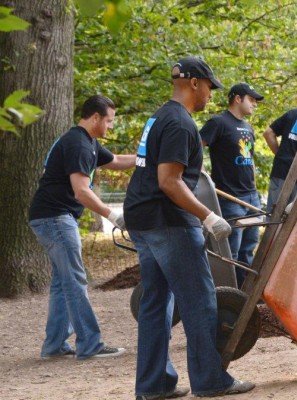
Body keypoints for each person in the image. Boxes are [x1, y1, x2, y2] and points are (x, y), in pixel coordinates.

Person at [124, 57, 254, 399]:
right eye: (210, 87)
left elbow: (148, 171)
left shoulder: (159, 116)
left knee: (156, 302)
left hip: (143, 218)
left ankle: (154, 385)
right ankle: (211, 381)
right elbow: (169, 181)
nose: (211, 95)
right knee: (199, 301)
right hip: (168, 221)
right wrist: (207, 216)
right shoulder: (181, 123)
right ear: (195, 82)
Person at [28, 95, 133, 360]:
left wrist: (147, 158)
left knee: (63, 283)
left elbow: (117, 160)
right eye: (108, 121)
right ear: (95, 117)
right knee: (75, 279)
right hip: (55, 218)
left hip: (49, 216)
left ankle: (54, 345)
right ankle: (90, 345)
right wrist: (113, 216)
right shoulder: (79, 145)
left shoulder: (88, 142)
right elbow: (81, 192)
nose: (110, 127)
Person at [201, 83, 264, 287]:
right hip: (229, 198)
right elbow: (194, 147)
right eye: (251, 99)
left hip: (251, 197)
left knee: (248, 249)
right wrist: (202, 175)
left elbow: (249, 158)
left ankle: (245, 294)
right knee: (231, 251)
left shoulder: (248, 127)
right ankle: (229, 294)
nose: (254, 104)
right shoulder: (218, 123)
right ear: (238, 98)